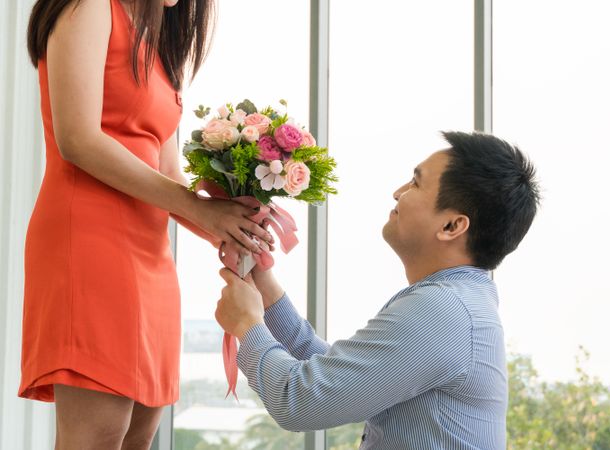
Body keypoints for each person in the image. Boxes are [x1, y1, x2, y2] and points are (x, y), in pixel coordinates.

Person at [19, 0, 274, 448]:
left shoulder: (156, 43)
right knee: (94, 438)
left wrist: (231, 227)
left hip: (151, 260)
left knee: (138, 438)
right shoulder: (92, 6)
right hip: (88, 244)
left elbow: (168, 173)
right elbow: (77, 138)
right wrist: (200, 211)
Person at [215, 131, 540, 449]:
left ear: (451, 226)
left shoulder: (442, 309)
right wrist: (265, 290)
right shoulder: (456, 301)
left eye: (416, 183)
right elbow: (335, 374)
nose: (398, 192)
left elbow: (299, 400)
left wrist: (247, 323)